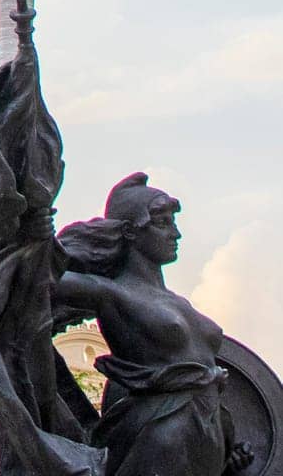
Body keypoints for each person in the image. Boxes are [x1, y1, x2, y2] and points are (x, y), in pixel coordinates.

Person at [55, 173, 253, 476]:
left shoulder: (180, 304)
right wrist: (33, 228)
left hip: (209, 433)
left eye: (173, 222)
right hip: (162, 434)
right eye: (162, 222)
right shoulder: (109, 292)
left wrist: (228, 456)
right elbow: (36, 274)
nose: (176, 234)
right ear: (129, 232)